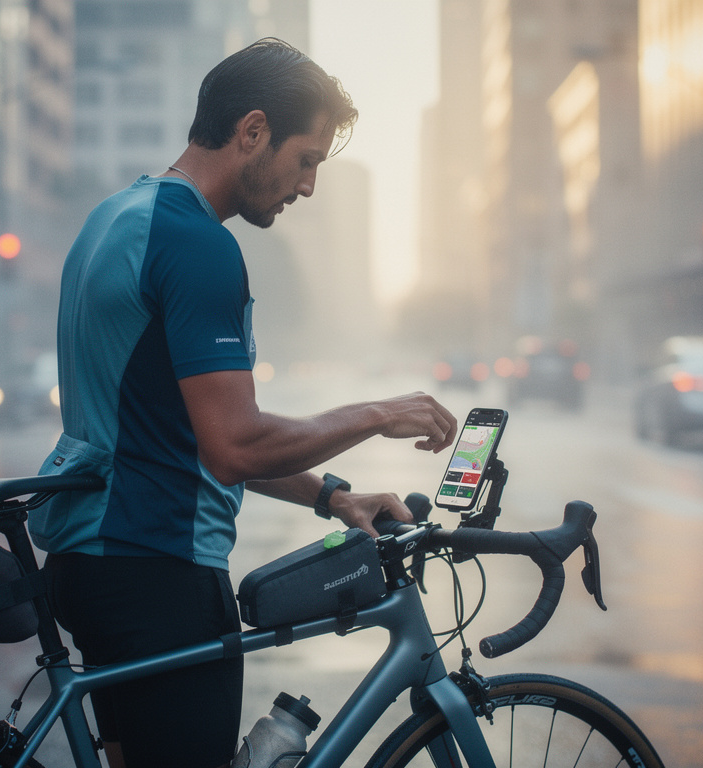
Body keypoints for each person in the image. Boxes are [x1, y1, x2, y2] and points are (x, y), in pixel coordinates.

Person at [33, 38, 458, 768]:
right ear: (253, 131)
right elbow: (234, 446)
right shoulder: (197, 244)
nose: (308, 186)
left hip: (92, 563)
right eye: (307, 159)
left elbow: (186, 434)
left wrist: (333, 497)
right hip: (160, 570)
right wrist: (377, 414)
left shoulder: (115, 217)